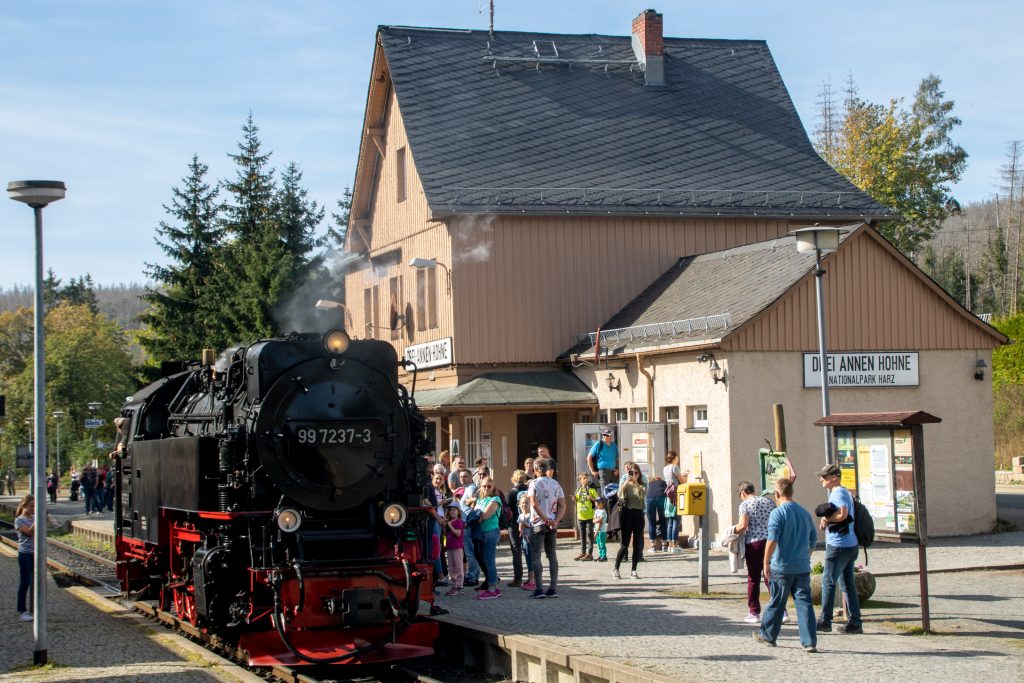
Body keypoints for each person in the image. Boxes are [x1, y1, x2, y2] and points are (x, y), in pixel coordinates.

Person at [753, 478, 818, 652]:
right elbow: (813, 538)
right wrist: (807, 554)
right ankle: (809, 641)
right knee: (804, 604)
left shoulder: (778, 513)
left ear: (777, 494)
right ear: (792, 492)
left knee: (777, 601)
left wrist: (765, 561)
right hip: (802, 566)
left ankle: (768, 635)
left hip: (781, 566)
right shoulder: (804, 513)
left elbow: (772, 539)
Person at [816, 463, 864, 635]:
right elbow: (842, 515)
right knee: (847, 584)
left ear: (834, 477)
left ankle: (825, 621)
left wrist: (828, 520)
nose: (821, 479)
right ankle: (855, 622)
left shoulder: (838, 493)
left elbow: (842, 514)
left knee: (828, 582)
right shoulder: (843, 492)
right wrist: (828, 519)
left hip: (838, 545)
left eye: (825, 476)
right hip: (850, 543)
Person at [732, 480, 777, 623]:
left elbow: (743, 526)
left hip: (754, 542)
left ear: (743, 493)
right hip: (771, 541)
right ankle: (781, 609)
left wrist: (732, 531)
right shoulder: (768, 501)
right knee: (770, 575)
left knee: (753, 577)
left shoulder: (745, 504)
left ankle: (754, 611)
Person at [527, 458, 566, 599]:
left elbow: (534, 503)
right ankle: (553, 588)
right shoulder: (555, 483)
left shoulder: (534, 483)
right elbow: (563, 505)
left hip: (538, 523)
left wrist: (544, 519)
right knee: (552, 555)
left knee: (536, 556)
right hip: (552, 524)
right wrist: (556, 520)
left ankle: (539, 589)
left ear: (536, 470)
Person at [614, 465, 646, 579]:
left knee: (637, 545)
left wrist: (636, 483)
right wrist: (625, 483)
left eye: (636, 473)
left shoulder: (642, 485)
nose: (634, 475)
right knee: (624, 545)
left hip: (638, 515)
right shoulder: (626, 485)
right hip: (627, 515)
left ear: (639, 474)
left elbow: (642, 495)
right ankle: (616, 569)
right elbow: (619, 494)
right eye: (632, 473)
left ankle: (634, 570)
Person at [474, 477, 503, 599]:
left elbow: (484, 515)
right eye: (484, 486)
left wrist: (475, 515)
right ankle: (493, 585)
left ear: (493, 488)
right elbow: (475, 515)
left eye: (489, 486)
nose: (486, 488)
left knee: (490, 560)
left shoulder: (495, 499)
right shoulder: (480, 499)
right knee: (485, 560)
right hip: (481, 533)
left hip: (491, 532)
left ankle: (492, 588)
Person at [456, 469, 482, 588]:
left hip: (468, 524)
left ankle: (472, 577)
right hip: (468, 523)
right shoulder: (467, 488)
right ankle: (474, 575)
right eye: (461, 476)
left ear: (471, 477)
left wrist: (468, 501)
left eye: (465, 476)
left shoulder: (471, 487)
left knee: (470, 552)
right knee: (472, 552)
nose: (462, 478)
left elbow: (474, 500)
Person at [506, 470, 530, 587]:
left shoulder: (511, 493)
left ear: (513, 479)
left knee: (516, 550)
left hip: (515, 523)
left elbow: (507, 510)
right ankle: (532, 577)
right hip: (529, 521)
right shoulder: (530, 490)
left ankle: (518, 578)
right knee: (530, 550)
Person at [663, 450, 688, 552]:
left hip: (669, 496)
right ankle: (675, 545)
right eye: (677, 458)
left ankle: (670, 545)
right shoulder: (675, 467)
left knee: (670, 521)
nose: (678, 459)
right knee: (676, 520)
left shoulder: (665, 468)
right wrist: (686, 476)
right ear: (674, 458)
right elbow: (682, 481)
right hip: (677, 495)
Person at [15, 494, 35, 621]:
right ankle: (22, 611)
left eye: (35, 506)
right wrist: (38, 520)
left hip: (36, 554)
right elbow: (28, 533)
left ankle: (35, 608)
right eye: (31, 506)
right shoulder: (19, 520)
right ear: (24, 506)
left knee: (37, 582)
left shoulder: (34, 518)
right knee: (25, 582)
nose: (33, 508)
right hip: (25, 555)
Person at [573, 473, 599, 561]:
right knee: (582, 535)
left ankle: (590, 554)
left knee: (589, 534)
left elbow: (598, 500)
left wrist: (591, 498)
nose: (585, 480)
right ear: (580, 481)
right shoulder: (578, 490)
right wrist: (574, 499)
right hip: (580, 516)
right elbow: (576, 499)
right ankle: (583, 552)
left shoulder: (591, 489)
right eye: (583, 478)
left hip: (589, 516)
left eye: (586, 478)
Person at [442, 503, 465, 596]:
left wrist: (450, 525)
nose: (452, 512)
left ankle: (459, 586)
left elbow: (458, 534)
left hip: (457, 547)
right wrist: (445, 525)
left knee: (458, 566)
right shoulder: (449, 522)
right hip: (450, 547)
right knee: (451, 566)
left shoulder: (458, 522)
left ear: (458, 512)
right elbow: (444, 533)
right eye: (450, 510)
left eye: (454, 510)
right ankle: (454, 585)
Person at [588, 429, 618, 496]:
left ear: (611, 436)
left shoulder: (614, 445)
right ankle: (605, 506)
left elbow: (617, 458)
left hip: (613, 472)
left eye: (607, 435)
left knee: (615, 492)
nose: (605, 436)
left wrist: (617, 469)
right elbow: (589, 457)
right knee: (605, 492)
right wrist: (592, 471)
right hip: (603, 471)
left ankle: (612, 506)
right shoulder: (598, 444)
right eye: (604, 435)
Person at [517, 493, 536, 590]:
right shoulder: (520, 515)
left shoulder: (532, 515)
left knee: (531, 559)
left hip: (531, 540)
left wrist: (525, 524)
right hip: (524, 540)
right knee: (527, 559)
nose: (524, 505)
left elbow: (533, 527)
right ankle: (530, 578)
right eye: (523, 503)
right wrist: (520, 526)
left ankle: (533, 580)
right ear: (520, 505)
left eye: (527, 503)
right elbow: (519, 527)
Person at [645, 475, 668, 552]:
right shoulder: (663, 482)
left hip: (650, 499)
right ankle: (665, 546)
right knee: (663, 521)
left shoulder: (650, 483)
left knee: (652, 523)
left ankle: (653, 547)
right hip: (662, 498)